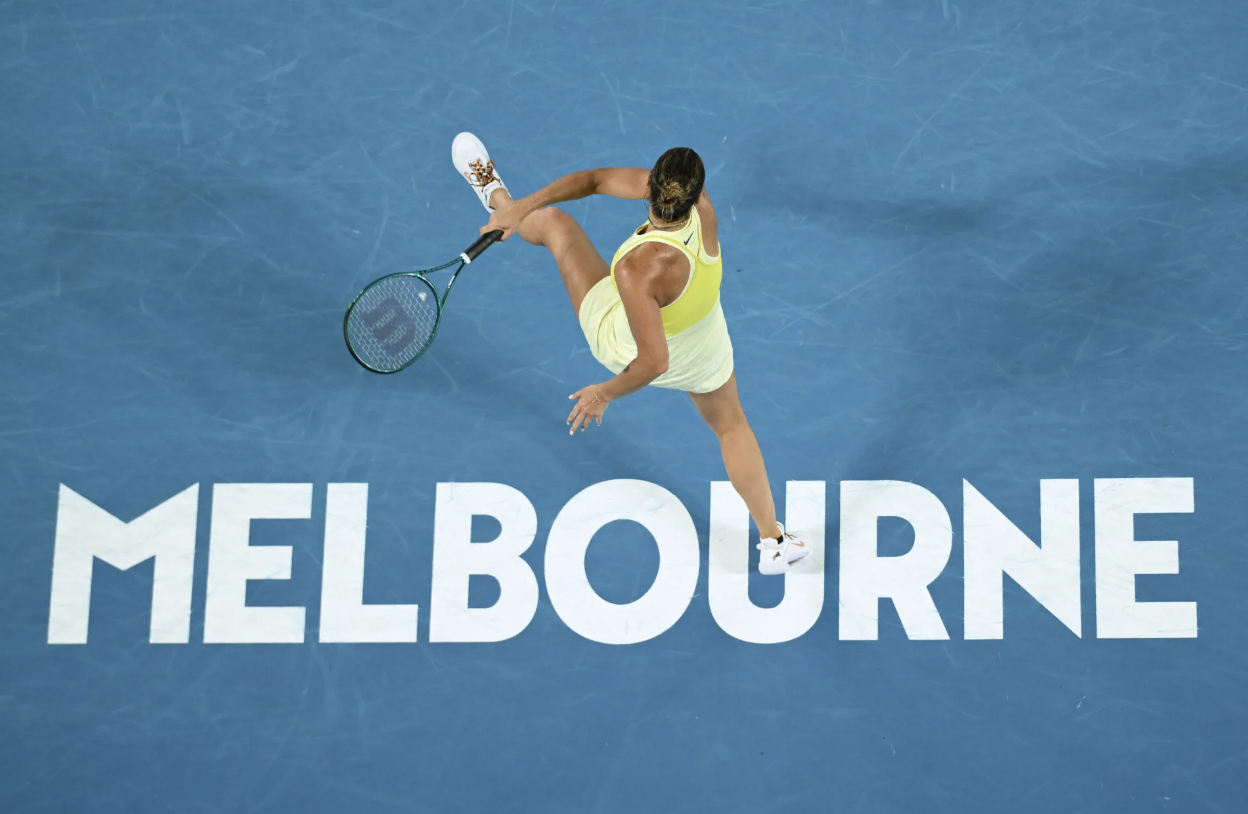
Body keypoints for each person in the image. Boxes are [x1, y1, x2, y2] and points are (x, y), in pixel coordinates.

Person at [451, 133, 811, 575]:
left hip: (633, 347)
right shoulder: (703, 209)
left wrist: (603, 393)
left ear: (651, 187)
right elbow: (594, 181)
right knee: (732, 427)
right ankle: (774, 542)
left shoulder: (636, 268)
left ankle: (495, 196)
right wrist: (523, 207)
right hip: (703, 341)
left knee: (555, 225)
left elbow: (653, 362)